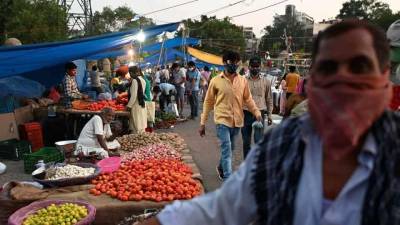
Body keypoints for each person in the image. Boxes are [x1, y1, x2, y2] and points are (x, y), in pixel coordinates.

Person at [137, 20, 399, 225]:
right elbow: (222, 210)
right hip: (224, 120)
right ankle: (227, 175)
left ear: (385, 76)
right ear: (315, 81)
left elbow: (251, 99)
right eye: (329, 68)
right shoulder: (283, 144)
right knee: (231, 151)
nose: (343, 80)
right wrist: (203, 121)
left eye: (359, 66)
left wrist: (264, 113)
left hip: (248, 117)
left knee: (244, 147)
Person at [199, 50, 261, 181]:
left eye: (236, 63)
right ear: (224, 63)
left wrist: (256, 112)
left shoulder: (243, 81)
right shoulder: (216, 81)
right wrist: (203, 122)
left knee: (231, 148)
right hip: (222, 120)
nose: (234, 65)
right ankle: (228, 178)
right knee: (227, 148)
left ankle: (221, 167)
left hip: (237, 120)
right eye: (231, 62)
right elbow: (208, 102)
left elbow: (248, 99)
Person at [241, 56, 273, 158]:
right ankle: (246, 164)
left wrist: (270, 115)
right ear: (249, 67)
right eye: (253, 66)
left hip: (260, 114)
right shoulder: (243, 81)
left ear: (260, 67)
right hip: (245, 113)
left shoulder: (266, 81)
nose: (255, 68)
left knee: (258, 141)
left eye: (257, 66)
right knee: (246, 142)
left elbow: (269, 99)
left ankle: (256, 165)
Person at [127, 66, 147, 134]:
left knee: (136, 125)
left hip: (136, 105)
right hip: (141, 104)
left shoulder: (135, 80)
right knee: (141, 124)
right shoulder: (143, 80)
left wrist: (129, 106)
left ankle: (136, 139)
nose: (130, 75)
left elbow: (134, 95)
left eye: (130, 73)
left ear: (132, 72)